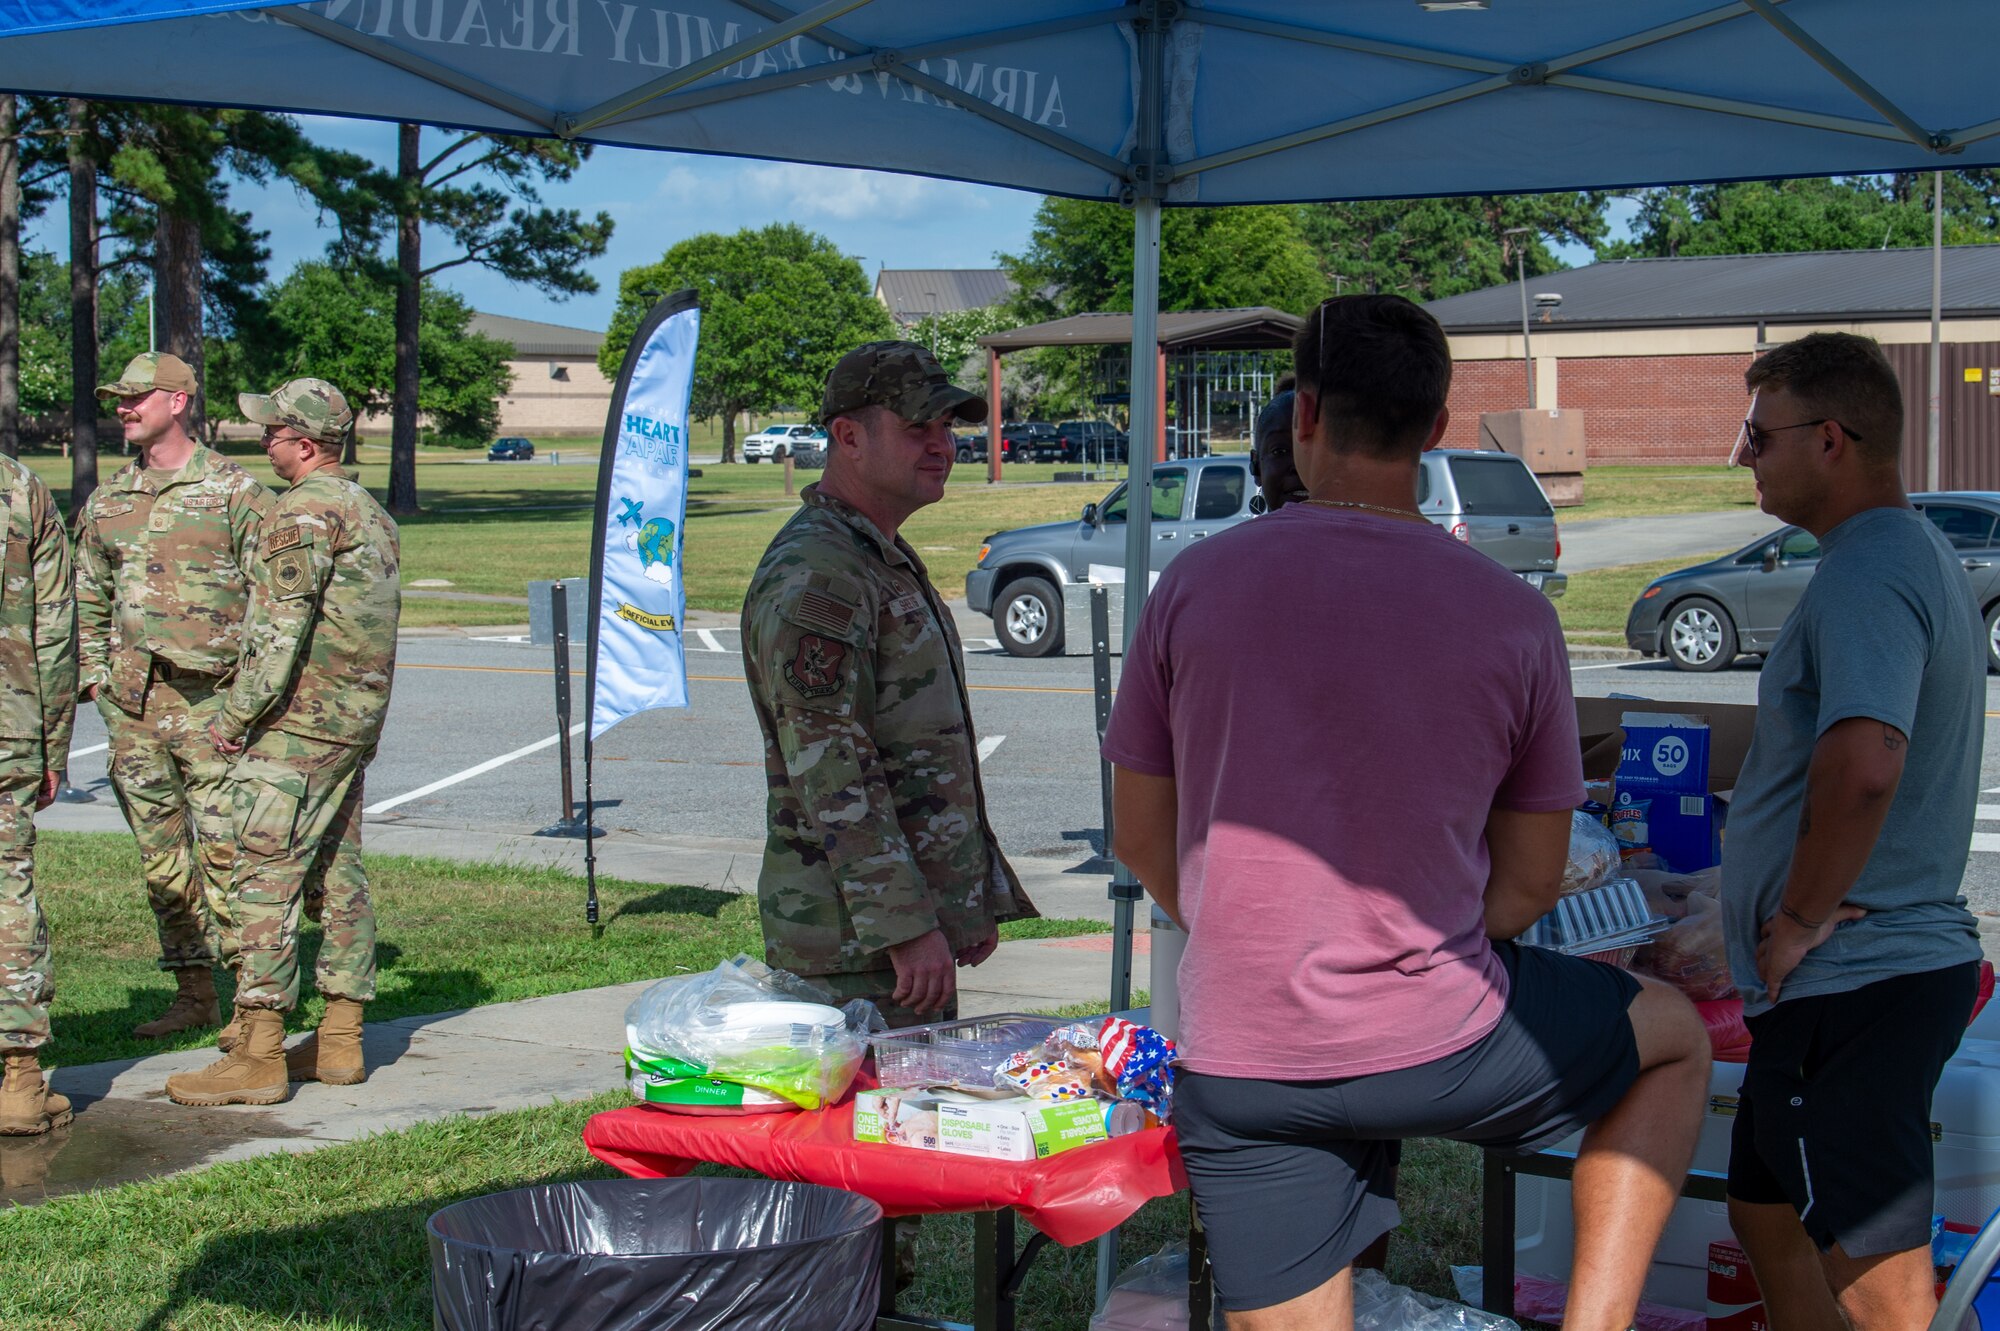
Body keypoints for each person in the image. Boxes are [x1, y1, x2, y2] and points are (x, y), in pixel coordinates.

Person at [1103, 295, 1711, 1331]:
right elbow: (1526, 880)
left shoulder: (1192, 584)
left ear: (1302, 416)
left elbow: (1140, 833)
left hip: (1243, 1051)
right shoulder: (1513, 614)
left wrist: (1259, 932)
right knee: (1675, 1037)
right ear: (1435, 429)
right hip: (1443, 1036)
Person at [1719, 333, 1984, 1331]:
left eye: (1757, 433)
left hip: (1854, 974)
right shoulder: (1890, 551)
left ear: (1827, 439)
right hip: (1857, 975)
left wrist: (1793, 914)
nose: (1744, 454)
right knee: (1759, 1204)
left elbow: (1865, 759)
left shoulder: (1868, 566)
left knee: (1878, 1281)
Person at [740, 340, 1037, 1028]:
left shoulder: (874, 553)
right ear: (847, 436)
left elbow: (919, 747)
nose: (941, 445)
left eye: (947, 429)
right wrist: (904, 925)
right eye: (917, 428)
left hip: (890, 944)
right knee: (869, 1131)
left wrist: (968, 895)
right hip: (855, 950)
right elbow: (832, 764)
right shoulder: (820, 571)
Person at [165, 378, 398, 1107]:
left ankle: (260, 1048)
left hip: (300, 720)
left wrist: (233, 717)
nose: (262, 440)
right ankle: (338, 1039)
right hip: (350, 721)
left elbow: (277, 633)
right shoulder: (370, 510)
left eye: (273, 432)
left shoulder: (301, 512)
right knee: (337, 871)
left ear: (306, 444)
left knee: (260, 869)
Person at [74, 352, 274, 1042]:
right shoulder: (109, 500)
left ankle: (254, 1004)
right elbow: (87, 599)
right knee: (161, 861)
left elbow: (275, 599)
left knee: (229, 852)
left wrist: (249, 697)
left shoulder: (234, 491)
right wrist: (97, 679)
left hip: (213, 704)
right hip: (134, 710)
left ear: (179, 402)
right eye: (119, 400)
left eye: (137, 398)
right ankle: (194, 992)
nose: (124, 409)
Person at [0, 453, 76, 1135]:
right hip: (8, 722)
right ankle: (20, 1078)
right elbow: (54, 626)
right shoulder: (18, 487)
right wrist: (52, 743)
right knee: (6, 888)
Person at [1248, 377, 1304, 514]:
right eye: (1280, 451)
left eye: (1313, 452)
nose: (1298, 466)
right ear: (1256, 467)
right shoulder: (1237, 536)